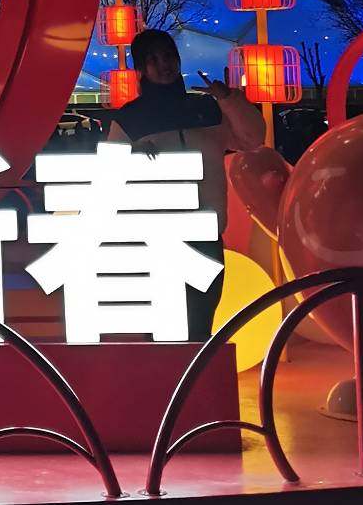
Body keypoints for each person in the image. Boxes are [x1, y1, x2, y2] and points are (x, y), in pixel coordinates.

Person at [110, 29, 267, 337]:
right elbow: (110, 172)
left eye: (169, 56)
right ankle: (164, 370)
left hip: (205, 232)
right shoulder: (130, 118)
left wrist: (229, 100)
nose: (164, 64)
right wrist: (132, 156)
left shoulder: (207, 109)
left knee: (200, 321)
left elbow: (252, 139)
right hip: (153, 237)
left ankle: (194, 369)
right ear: (141, 68)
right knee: (157, 324)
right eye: (153, 59)